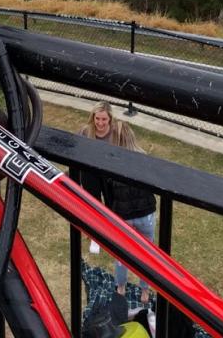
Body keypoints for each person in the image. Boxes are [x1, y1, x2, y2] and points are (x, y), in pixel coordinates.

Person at [79, 101, 157, 304]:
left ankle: (121, 288)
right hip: (142, 214)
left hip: (125, 216)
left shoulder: (113, 169)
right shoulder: (142, 161)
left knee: (123, 254)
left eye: (104, 119)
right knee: (146, 254)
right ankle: (142, 290)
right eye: (98, 119)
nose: (101, 123)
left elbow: (108, 195)